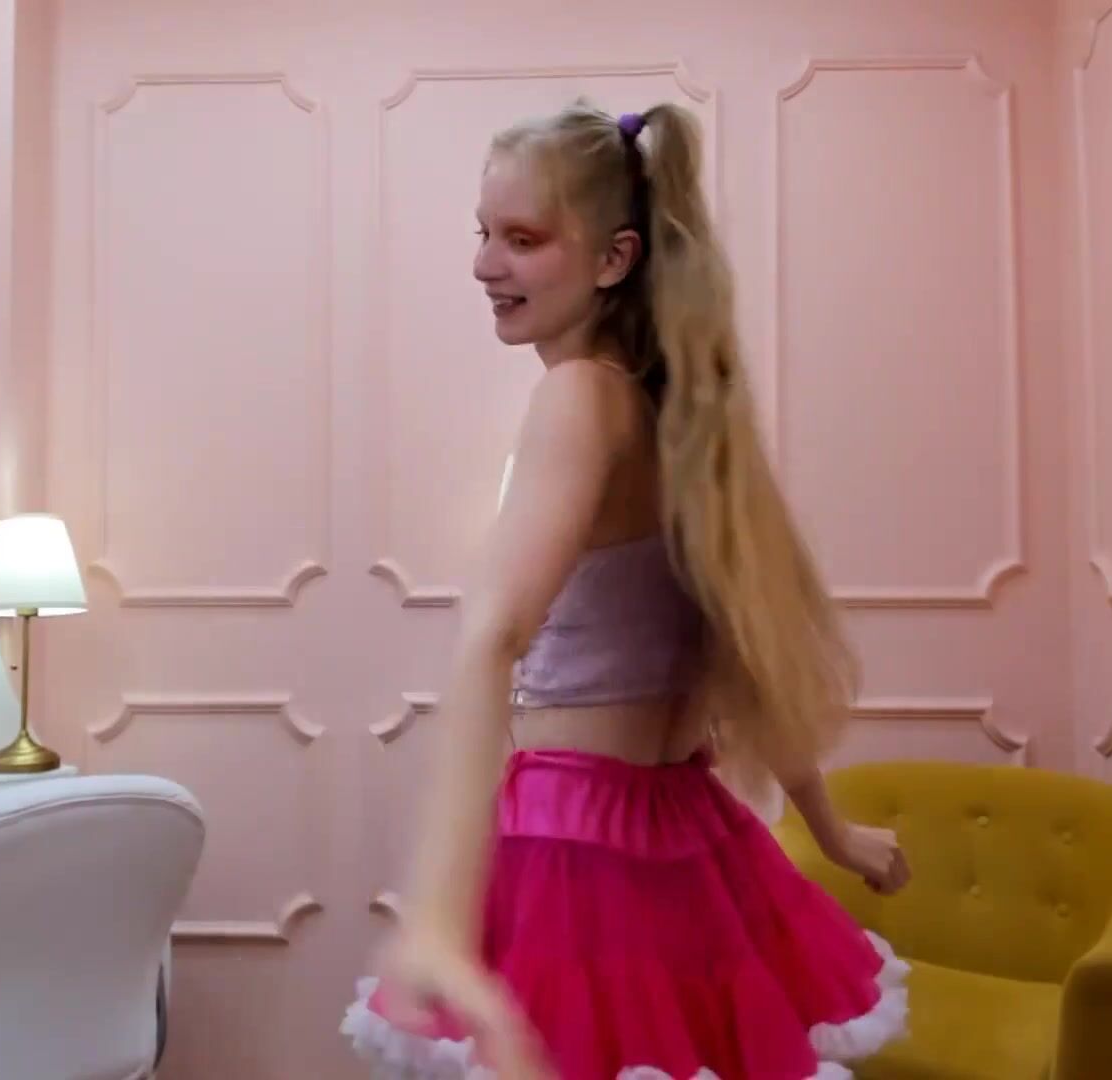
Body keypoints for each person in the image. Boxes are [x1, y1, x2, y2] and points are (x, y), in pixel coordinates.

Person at [339, 101, 912, 1080]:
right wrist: (829, 827)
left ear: (615, 258)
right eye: (483, 233)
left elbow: (494, 635)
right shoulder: (673, 415)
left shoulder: (579, 398)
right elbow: (748, 649)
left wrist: (436, 908)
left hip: (576, 849)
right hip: (685, 836)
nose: (483, 265)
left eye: (522, 239)